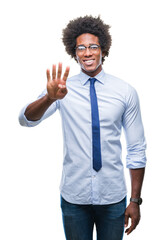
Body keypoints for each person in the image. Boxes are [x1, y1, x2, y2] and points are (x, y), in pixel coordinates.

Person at [19, 15, 147, 240]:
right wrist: (49, 99)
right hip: (74, 198)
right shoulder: (61, 89)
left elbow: (137, 148)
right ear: (74, 52)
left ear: (103, 50)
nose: (87, 53)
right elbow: (26, 119)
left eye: (93, 46)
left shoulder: (125, 92)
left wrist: (135, 200)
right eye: (81, 48)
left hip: (113, 197)